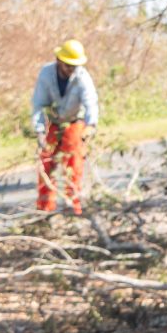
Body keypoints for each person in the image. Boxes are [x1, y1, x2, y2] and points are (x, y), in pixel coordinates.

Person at [30, 39, 99, 215]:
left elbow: (91, 102)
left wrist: (90, 125)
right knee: (46, 164)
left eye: (74, 66)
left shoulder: (82, 77)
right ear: (59, 60)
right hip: (52, 124)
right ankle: (44, 210)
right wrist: (39, 131)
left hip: (74, 123)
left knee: (73, 164)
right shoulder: (46, 73)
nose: (71, 69)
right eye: (68, 65)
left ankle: (73, 207)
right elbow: (38, 104)